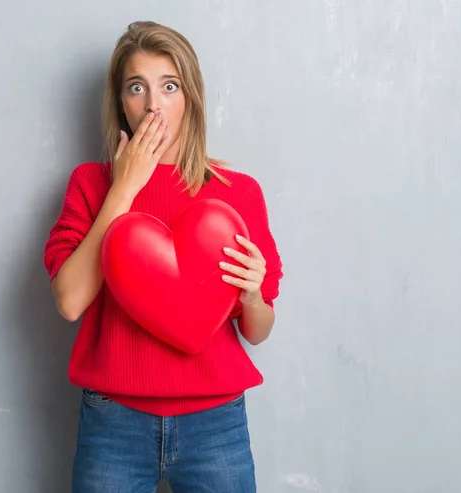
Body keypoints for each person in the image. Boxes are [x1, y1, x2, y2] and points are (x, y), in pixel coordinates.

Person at [44, 20, 283, 493]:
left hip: (216, 425)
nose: (154, 104)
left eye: (168, 86)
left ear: (190, 97)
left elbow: (257, 330)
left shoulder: (238, 193)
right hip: (113, 424)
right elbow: (69, 301)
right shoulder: (90, 185)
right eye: (138, 87)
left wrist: (253, 296)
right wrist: (125, 187)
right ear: (121, 104)